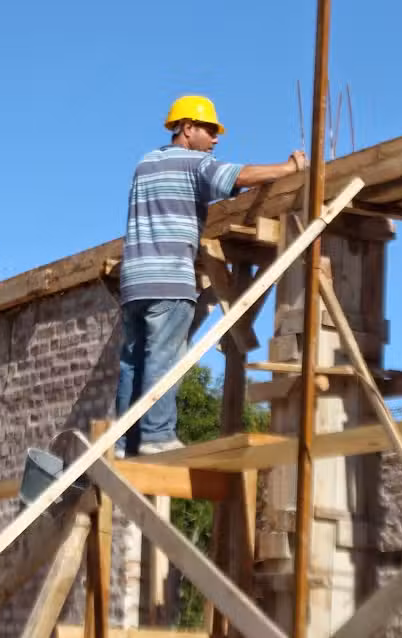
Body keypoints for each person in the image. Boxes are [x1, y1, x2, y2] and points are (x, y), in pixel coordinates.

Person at [115, 95, 307, 458]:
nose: (215, 140)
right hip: (169, 279)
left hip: (134, 282)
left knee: (133, 360)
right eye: (209, 131)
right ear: (187, 129)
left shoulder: (145, 165)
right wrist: (288, 167)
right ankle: (156, 437)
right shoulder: (195, 164)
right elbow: (240, 176)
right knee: (162, 357)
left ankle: (124, 443)